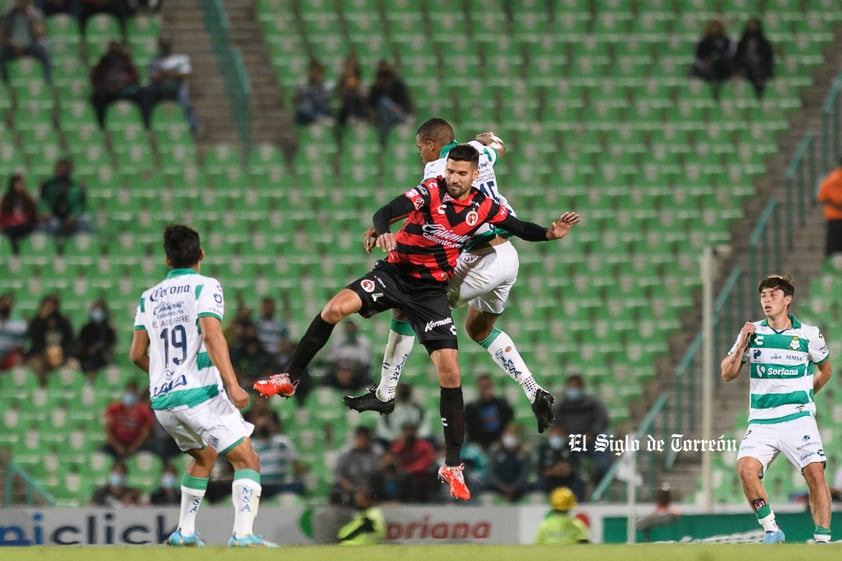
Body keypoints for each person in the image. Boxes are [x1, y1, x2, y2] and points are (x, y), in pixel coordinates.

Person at [254, 143, 582, 501]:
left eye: (460, 174)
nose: (453, 179)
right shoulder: (430, 190)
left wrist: (550, 234)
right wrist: (382, 230)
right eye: (450, 171)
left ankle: (452, 466)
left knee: (451, 372)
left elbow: (520, 228)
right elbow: (387, 210)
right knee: (334, 309)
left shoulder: (485, 207)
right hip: (394, 275)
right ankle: (289, 378)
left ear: (474, 176)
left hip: (430, 293)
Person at [345, 118, 557, 436]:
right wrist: (488, 139)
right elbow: (497, 145)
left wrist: (383, 224)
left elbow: (428, 204)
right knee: (479, 328)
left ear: (431, 147)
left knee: (409, 301)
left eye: (420, 149)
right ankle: (533, 389)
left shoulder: (438, 171)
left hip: (479, 257)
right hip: (508, 256)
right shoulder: (476, 153)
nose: (421, 155)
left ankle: (385, 393)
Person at [129, 224, 277, 547]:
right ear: (201, 254)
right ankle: (243, 535)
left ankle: (184, 532)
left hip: (164, 402)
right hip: (200, 396)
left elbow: (136, 354)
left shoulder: (148, 297)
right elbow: (212, 336)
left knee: (204, 456)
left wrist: (165, 375)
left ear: (168, 260)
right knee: (248, 460)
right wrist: (234, 385)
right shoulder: (205, 287)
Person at [721, 274, 833, 544]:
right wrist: (741, 347)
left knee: (815, 472)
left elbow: (825, 371)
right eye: (763, 296)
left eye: (773, 295)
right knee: (745, 470)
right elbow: (727, 373)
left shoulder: (809, 334)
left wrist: (805, 395)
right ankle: (772, 529)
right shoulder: (752, 332)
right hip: (761, 421)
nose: (767, 300)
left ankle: (822, 539)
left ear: (787, 299)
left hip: (797, 417)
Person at [552, 374, 612, 486]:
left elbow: (602, 420)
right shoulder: (560, 406)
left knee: (605, 438)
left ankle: (600, 476)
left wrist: (592, 434)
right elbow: (554, 425)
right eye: (570, 387)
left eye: (575, 387)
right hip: (569, 443)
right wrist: (566, 436)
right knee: (555, 442)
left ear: (581, 387)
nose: (572, 390)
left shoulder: (593, 403)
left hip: (591, 441)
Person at [248, 407, 306, 498]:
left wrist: (294, 478)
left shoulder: (283, 442)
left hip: (278, 484)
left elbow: (297, 465)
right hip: (258, 485)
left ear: (272, 424)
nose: (264, 424)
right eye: (260, 423)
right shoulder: (250, 444)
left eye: (267, 422)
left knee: (299, 485)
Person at [90, 40, 148, 129]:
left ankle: (144, 123)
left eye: (116, 47)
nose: (114, 50)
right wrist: (107, 87)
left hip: (125, 89)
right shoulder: (104, 61)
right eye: (112, 48)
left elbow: (135, 77)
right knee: (98, 96)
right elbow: (95, 78)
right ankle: (101, 125)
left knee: (143, 93)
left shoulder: (126, 60)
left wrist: (123, 84)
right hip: (108, 90)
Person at [147, 34, 197, 134]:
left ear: (171, 45)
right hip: (159, 89)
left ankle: (192, 128)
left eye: (167, 44)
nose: (165, 47)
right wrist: (170, 73)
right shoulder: (154, 60)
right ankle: (149, 127)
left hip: (176, 88)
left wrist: (166, 73)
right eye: (163, 44)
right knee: (147, 97)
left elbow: (185, 74)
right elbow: (153, 78)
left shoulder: (181, 58)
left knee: (186, 104)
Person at [24, 294, 76, 385]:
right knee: (34, 365)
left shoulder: (64, 323)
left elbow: (70, 343)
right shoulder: (37, 321)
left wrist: (64, 355)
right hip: (41, 356)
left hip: (61, 355)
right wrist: (40, 318)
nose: (49, 308)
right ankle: (43, 389)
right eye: (47, 305)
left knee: (73, 365)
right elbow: (31, 336)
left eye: (52, 305)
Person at [38, 158, 92, 243]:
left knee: (84, 221)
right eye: (59, 168)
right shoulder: (48, 185)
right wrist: (46, 212)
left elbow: (80, 204)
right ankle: (47, 250)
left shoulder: (77, 187)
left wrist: (73, 215)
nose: (61, 171)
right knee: (43, 224)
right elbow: (43, 201)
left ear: (69, 170)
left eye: (64, 168)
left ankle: (83, 250)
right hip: (54, 217)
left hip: (71, 217)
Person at [0, 0, 51, 84]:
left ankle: (47, 81)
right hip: (12, 46)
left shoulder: (37, 14)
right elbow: (2, 36)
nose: (22, 4)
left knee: (44, 51)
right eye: (20, 1)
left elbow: (41, 34)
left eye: (25, 2)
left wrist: (33, 18)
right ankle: (4, 83)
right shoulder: (8, 14)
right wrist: (11, 43)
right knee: (1, 51)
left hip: (31, 45)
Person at [102, 380, 154, 460]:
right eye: (128, 392)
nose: (130, 395)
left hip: (136, 446)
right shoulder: (115, 408)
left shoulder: (143, 410)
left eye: (132, 392)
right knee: (103, 453)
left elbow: (145, 433)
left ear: (136, 394)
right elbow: (108, 429)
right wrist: (118, 447)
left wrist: (134, 447)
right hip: (116, 444)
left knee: (149, 454)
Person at [331, 425, 382, 506]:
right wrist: (355, 490)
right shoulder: (346, 453)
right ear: (356, 438)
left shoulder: (375, 453)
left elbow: (377, 473)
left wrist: (364, 490)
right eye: (360, 438)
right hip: (349, 488)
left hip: (369, 488)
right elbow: (339, 475)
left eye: (365, 438)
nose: (363, 441)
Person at [535, 424, 585, 502]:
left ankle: (578, 503)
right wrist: (554, 471)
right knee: (539, 483)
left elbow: (575, 467)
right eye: (554, 434)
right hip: (549, 478)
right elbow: (540, 469)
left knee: (579, 482)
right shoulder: (543, 448)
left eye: (559, 434)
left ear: (564, 436)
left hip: (568, 479)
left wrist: (565, 470)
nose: (556, 436)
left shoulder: (572, 447)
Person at [367, 59, 412, 146]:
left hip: (396, 114)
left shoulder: (397, 84)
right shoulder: (376, 87)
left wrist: (397, 107)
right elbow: (372, 103)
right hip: (383, 116)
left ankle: (384, 141)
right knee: (383, 102)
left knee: (385, 103)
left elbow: (403, 100)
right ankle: (403, 118)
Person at [465, 373, 514, 450]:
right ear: (478, 388)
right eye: (483, 387)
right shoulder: (471, 408)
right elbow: (470, 430)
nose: (485, 390)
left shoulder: (501, 403)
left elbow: (510, 419)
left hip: (499, 442)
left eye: (487, 386)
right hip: (479, 444)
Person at [391, 421, 437, 502]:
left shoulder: (424, 445)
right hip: (405, 477)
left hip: (422, 475)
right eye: (406, 431)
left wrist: (410, 469)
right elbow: (393, 458)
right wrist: (402, 444)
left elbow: (427, 461)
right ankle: (399, 500)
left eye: (411, 430)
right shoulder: (399, 446)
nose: (409, 433)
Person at [484, 424, 531, 503]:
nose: (510, 437)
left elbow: (524, 473)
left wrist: (514, 487)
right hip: (497, 488)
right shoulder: (495, 451)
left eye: (513, 435)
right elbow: (490, 472)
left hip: (518, 489)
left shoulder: (523, 453)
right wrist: (502, 486)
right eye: (508, 434)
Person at [323, 320, 373, 392]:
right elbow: (330, 360)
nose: (350, 330)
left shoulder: (365, 344)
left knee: (367, 379)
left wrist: (350, 372)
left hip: (357, 374)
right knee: (328, 377)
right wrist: (340, 372)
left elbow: (366, 364)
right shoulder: (337, 342)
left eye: (352, 327)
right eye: (348, 327)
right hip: (339, 372)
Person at [691, 19, 734, 100]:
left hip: (722, 67)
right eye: (713, 27)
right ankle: (707, 95)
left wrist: (717, 60)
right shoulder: (703, 41)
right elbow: (698, 55)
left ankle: (721, 94)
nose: (715, 29)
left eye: (717, 27)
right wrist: (706, 62)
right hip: (705, 67)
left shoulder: (726, 40)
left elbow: (729, 55)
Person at [734, 17, 774, 99]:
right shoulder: (742, 43)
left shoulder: (764, 43)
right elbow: (737, 58)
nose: (752, 27)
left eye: (754, 25)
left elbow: (768, 60)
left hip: (760, 69)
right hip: (745, 69)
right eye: (750, 25)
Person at [76, 298, 117, 375]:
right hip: (87, 358)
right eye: (96, 310)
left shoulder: (108, 329)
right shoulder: (85, 328)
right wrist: (88, 350)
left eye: (100, 310)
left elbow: (111, 346)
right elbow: (80, 345)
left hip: (102, 359)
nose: (98, 313)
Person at [0, 173, 38, 255]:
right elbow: (3, 216)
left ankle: (24, 253)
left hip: (24, 226)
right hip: (10, 226)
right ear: (13, 185)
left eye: (23, 184)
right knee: (12, 230)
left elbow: (33, 216)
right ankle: (14, 253)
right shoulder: (6, 199)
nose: (22, 186)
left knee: (25, 229)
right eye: (20, 184)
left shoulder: (28, 199)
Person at [293, 59, 333, 126]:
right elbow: (295, 100)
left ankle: (319, 118)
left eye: (319, 72)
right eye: (314, 71)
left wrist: (320, 87)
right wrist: (302, 92)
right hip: (305, 114)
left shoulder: (326, 84)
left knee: (315, 93)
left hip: (320, 112)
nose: (316, 74)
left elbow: (327, 100)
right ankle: (317, 119)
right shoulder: (303, 82)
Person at [817, 156, 842, 257]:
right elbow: (823, 197)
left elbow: (822, 197)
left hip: (834, 219)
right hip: (834, 219)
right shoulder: (832, 179)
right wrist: (838, 206)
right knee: (833, 249)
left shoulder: (831, 178)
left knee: (833, 250)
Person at [336, 53, 368, 128]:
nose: (350, 68)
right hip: (346, 111)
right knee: (350, 93)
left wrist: (357, 87)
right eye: (349, 66)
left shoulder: (360, 80)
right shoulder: (342, 79)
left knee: (354, 94)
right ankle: (351, 116)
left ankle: (358, 118)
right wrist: (345, 80)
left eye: (352, 66)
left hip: (359, 107)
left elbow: (364, 95)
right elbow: (341, 96)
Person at [0, 293, 26, 371]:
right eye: (3, 303)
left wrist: (5, 354)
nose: (5, 306)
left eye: (8, 304)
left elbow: (19, 347)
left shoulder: (19, 323)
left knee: (17, 359)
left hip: (9, 354)